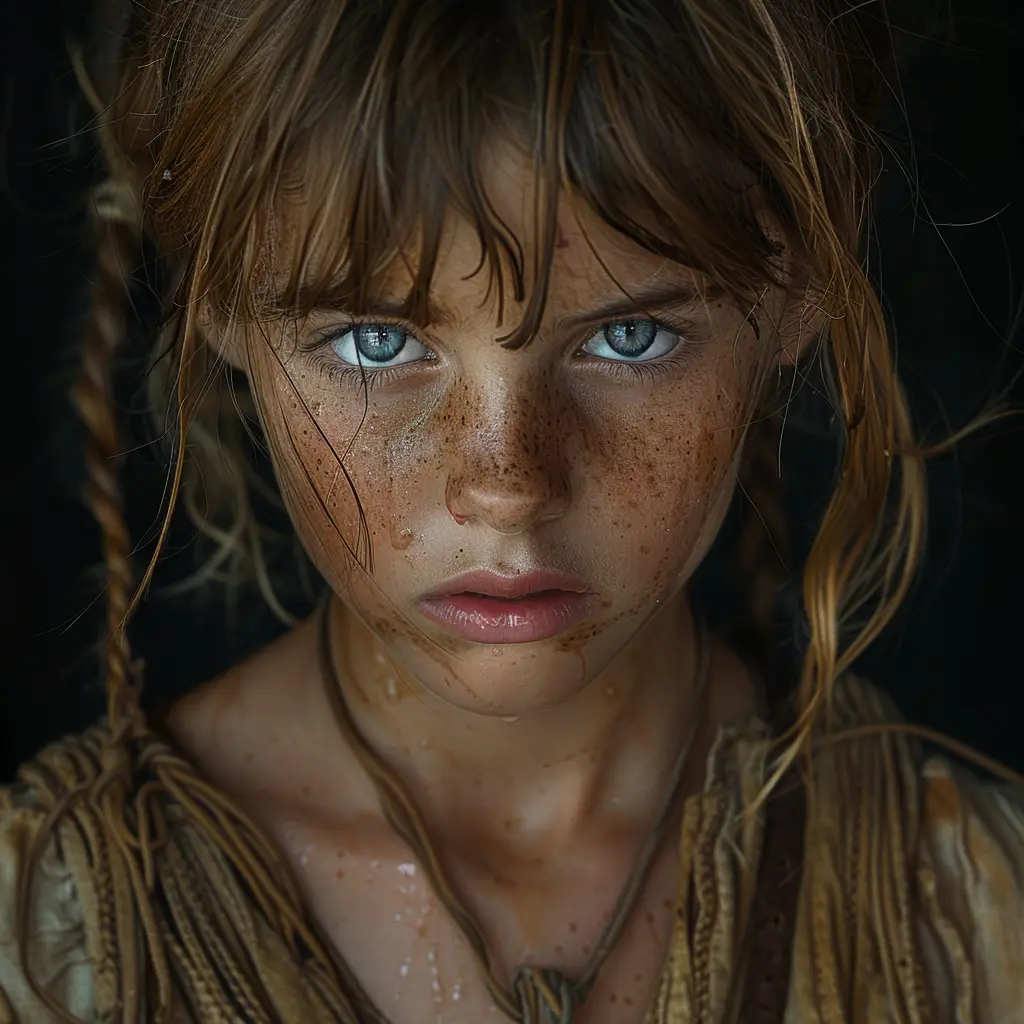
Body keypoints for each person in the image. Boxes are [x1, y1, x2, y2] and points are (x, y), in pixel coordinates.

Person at [2, 0, 1022, 1021]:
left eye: (628, 339)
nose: (505, 485)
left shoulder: (974, 921)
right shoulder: (39, 945)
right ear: (216, 302)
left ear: (803, 289)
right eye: (376, 343)